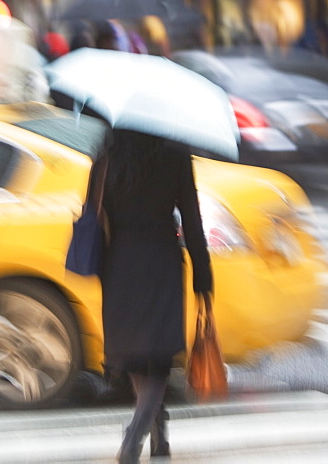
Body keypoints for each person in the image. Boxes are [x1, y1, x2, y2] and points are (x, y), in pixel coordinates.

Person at [99, 129, 213, 463]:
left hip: (119, 262)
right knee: (159, 356)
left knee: (135, 354)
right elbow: (191, 218)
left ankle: (159, 438)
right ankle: (135, 434)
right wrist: (203, 273)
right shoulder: (174, 155)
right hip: (160, 260)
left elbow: (96, 210)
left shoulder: (108, 156)